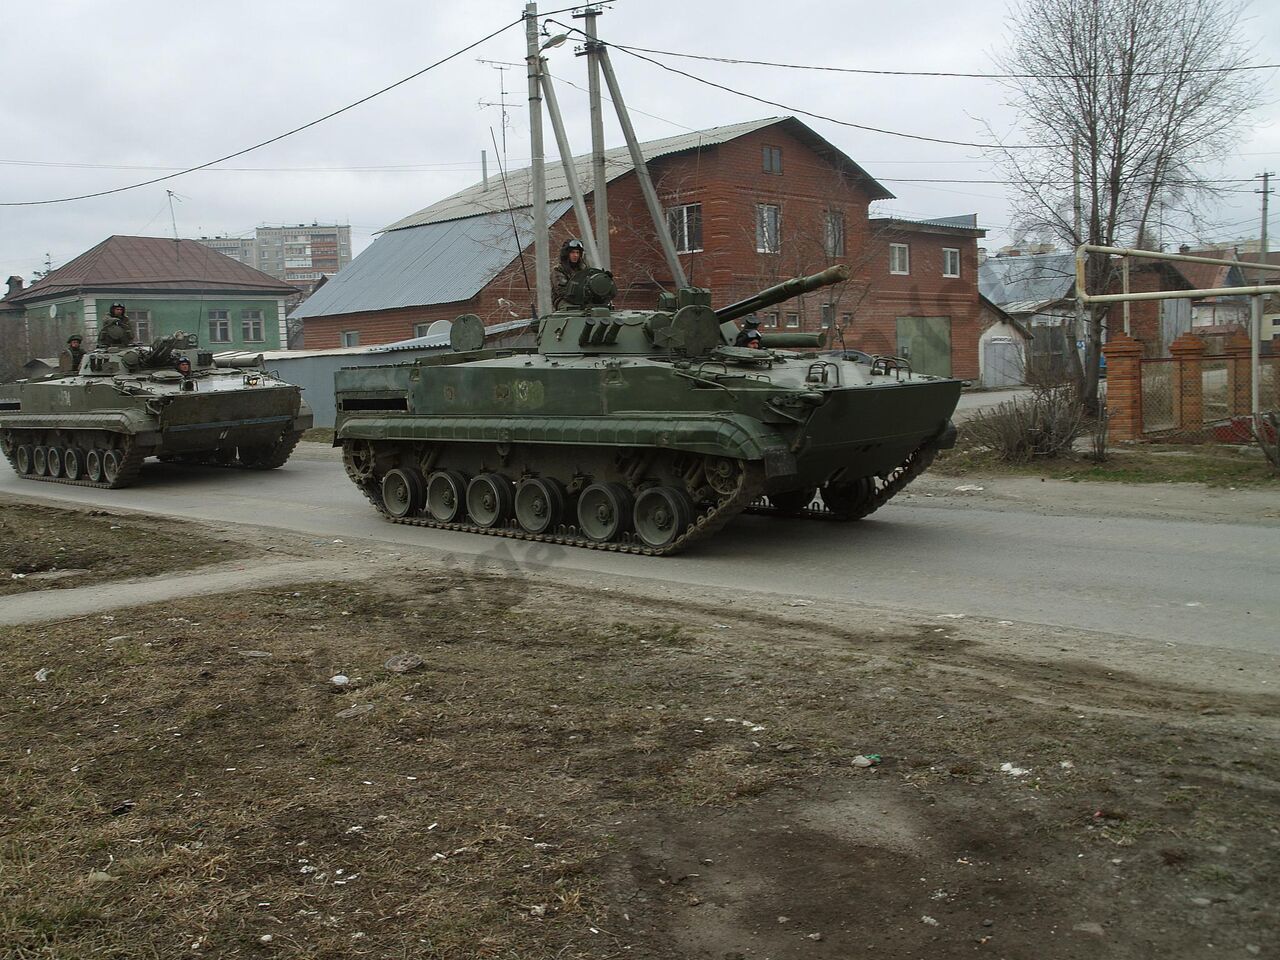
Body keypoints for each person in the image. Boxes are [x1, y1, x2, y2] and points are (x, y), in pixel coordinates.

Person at [551, 238, 586, 309]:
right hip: (563, 300)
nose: (575, 255)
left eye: (577, 252)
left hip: (583, 299)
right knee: (574, 310)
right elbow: (562, 290)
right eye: (572, 252)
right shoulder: (558, 270)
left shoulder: (583, 269)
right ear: (566, 254)